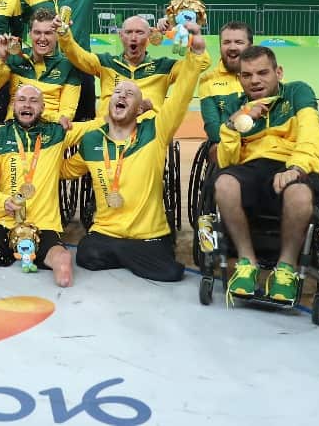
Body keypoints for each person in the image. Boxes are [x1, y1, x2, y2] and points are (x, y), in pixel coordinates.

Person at [62, 21, 209, 282]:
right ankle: (129, 252)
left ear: (141, 107)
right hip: (107, 230)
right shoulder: (93, 139)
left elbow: (182, 94)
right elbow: (63, 169)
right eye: (116, 91)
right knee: (86, 253)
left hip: (147, 229)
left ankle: (126, 250)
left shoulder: (157, 129)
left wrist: (195, 52)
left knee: (170, 272)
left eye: (129, 94)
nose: (120, 95)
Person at [213, 45, 319, 303]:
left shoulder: (298, 92)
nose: (255, 80)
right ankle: (246, 262)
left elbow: (311, 133)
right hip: (251, 167)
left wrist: (295, 167)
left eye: (263, 73)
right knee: (224, 184)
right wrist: (235, 123)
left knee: (298, 193)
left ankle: (286, 268)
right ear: (240, 77)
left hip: (293, 162)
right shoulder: (235, 104)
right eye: (247, 75)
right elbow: (226, 161)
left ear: (278, 72)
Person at [0, 85, 99, 286]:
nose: (27, 104)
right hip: (6, 223)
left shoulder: (57, 132)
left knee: (64, 263)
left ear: (42, 108)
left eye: (34, 101)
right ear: (14, 105)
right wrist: (2, 201)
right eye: (22, 99)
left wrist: (142, 112)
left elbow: (97, 126)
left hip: (43, 226)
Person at [58, 14, 197, 118]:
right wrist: (64, 35)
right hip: (108, 132)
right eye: (129, 32)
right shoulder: (106, 62)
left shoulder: (165, 67)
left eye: (139, 32)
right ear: (120, 35)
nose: (134, 37)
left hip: (146, 137)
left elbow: (198, 65)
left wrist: (180, 33)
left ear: (149, 35)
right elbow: (78, 56)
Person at [0, 9, 82, 124]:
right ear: (30, 34)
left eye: (48, 33)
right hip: (13, 130)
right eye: (37, 32)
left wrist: (31, 113)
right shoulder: (15, 59)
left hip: (48, 131)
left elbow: (66, 115)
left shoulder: (68, 66)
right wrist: (1, 58)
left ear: (57, 35)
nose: (42, 38)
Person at [198, 21, 254, 162]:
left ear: (250, 47)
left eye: (239, 42)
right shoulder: (208, 80)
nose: (232, 47)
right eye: (227, 42)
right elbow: (213, 131)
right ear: (220, 46)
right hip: (227, 148)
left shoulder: (265, 76)